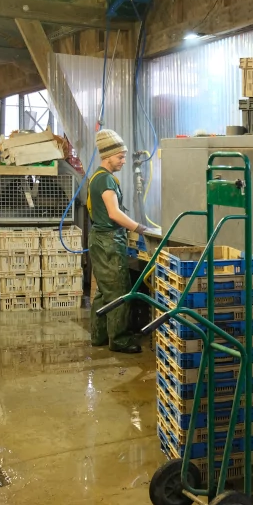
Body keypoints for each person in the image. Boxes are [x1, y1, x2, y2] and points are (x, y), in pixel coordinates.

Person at [87, 129, 158, 354]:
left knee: (104, 291)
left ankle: (99, 335)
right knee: (118, 290)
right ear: (108, 156)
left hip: (99, 239)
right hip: (108, 240)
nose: (123, 161)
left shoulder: (96, 177)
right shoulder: (106, 180)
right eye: (120, 157)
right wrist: (141, 228)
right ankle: (119, 340)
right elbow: (114, 213)